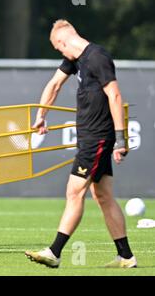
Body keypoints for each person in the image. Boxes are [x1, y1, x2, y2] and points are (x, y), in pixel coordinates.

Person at [25, 20, 137, 268]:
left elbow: (115, 96)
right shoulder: (75, 60)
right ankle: (126, 257)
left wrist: (120, 139)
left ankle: (54, 252)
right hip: (89, 137)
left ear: (63, 42)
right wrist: (41, 115)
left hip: (97, 137)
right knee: (104, 196)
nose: (60, 54)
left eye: (58, 48)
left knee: (74, 191)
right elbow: (54, 84)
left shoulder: (98, 57)